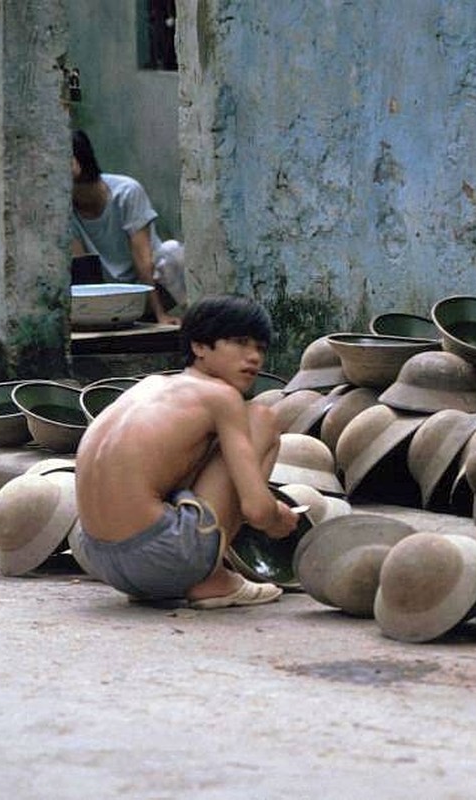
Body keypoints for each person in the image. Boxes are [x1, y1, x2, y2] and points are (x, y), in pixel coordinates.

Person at [74, 294, 301, 609]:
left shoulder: (149, 386)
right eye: (239, 342)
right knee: (262, 418)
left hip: (97, 557)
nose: (253, 358)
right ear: (199, 346)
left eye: (260, 348)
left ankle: (187, 571)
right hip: (160, 556)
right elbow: (258, 511)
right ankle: (213, 580)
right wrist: (277, 519)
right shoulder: (221, 396)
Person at [70, 129, 180, 325]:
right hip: (107, 295)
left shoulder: (127, 192)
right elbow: (82, 268)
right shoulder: (63, 209)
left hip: (148, 289)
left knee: (172, 252)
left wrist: (159, 315)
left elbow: (143, 261)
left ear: (75, 163)